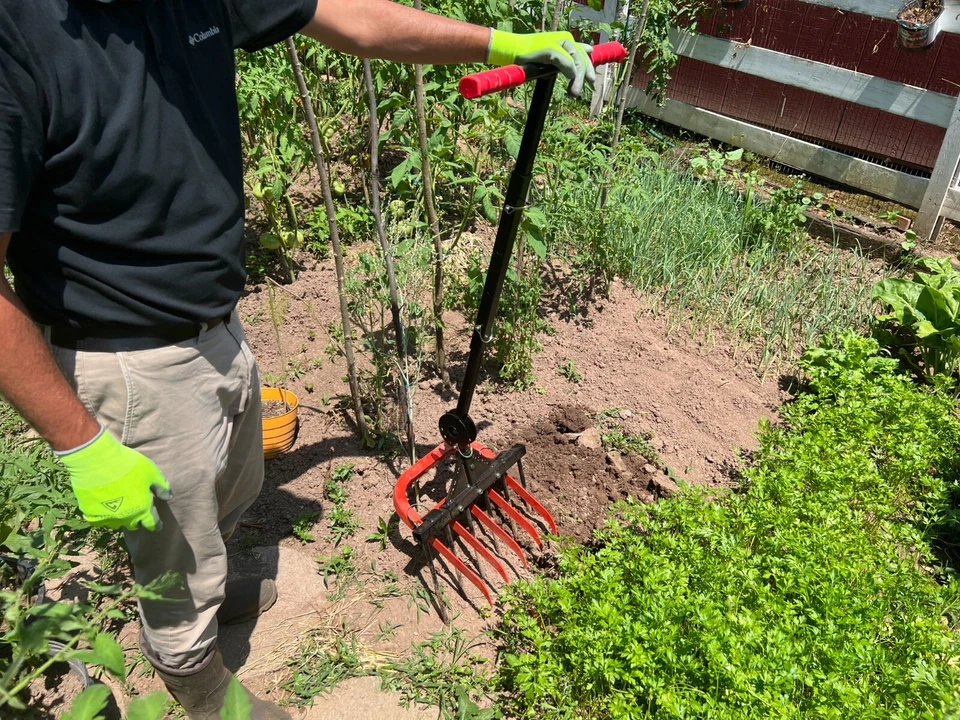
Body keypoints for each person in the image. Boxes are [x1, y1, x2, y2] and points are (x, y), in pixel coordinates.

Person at [0, 1, 595, 717]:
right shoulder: (17, 36)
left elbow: (353, 19)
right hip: (129, 361)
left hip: (217, 324)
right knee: (171, 564)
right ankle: (199, 686)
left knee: (229, 492)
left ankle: (213, 589)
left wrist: (500, 40)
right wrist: (82, 444)